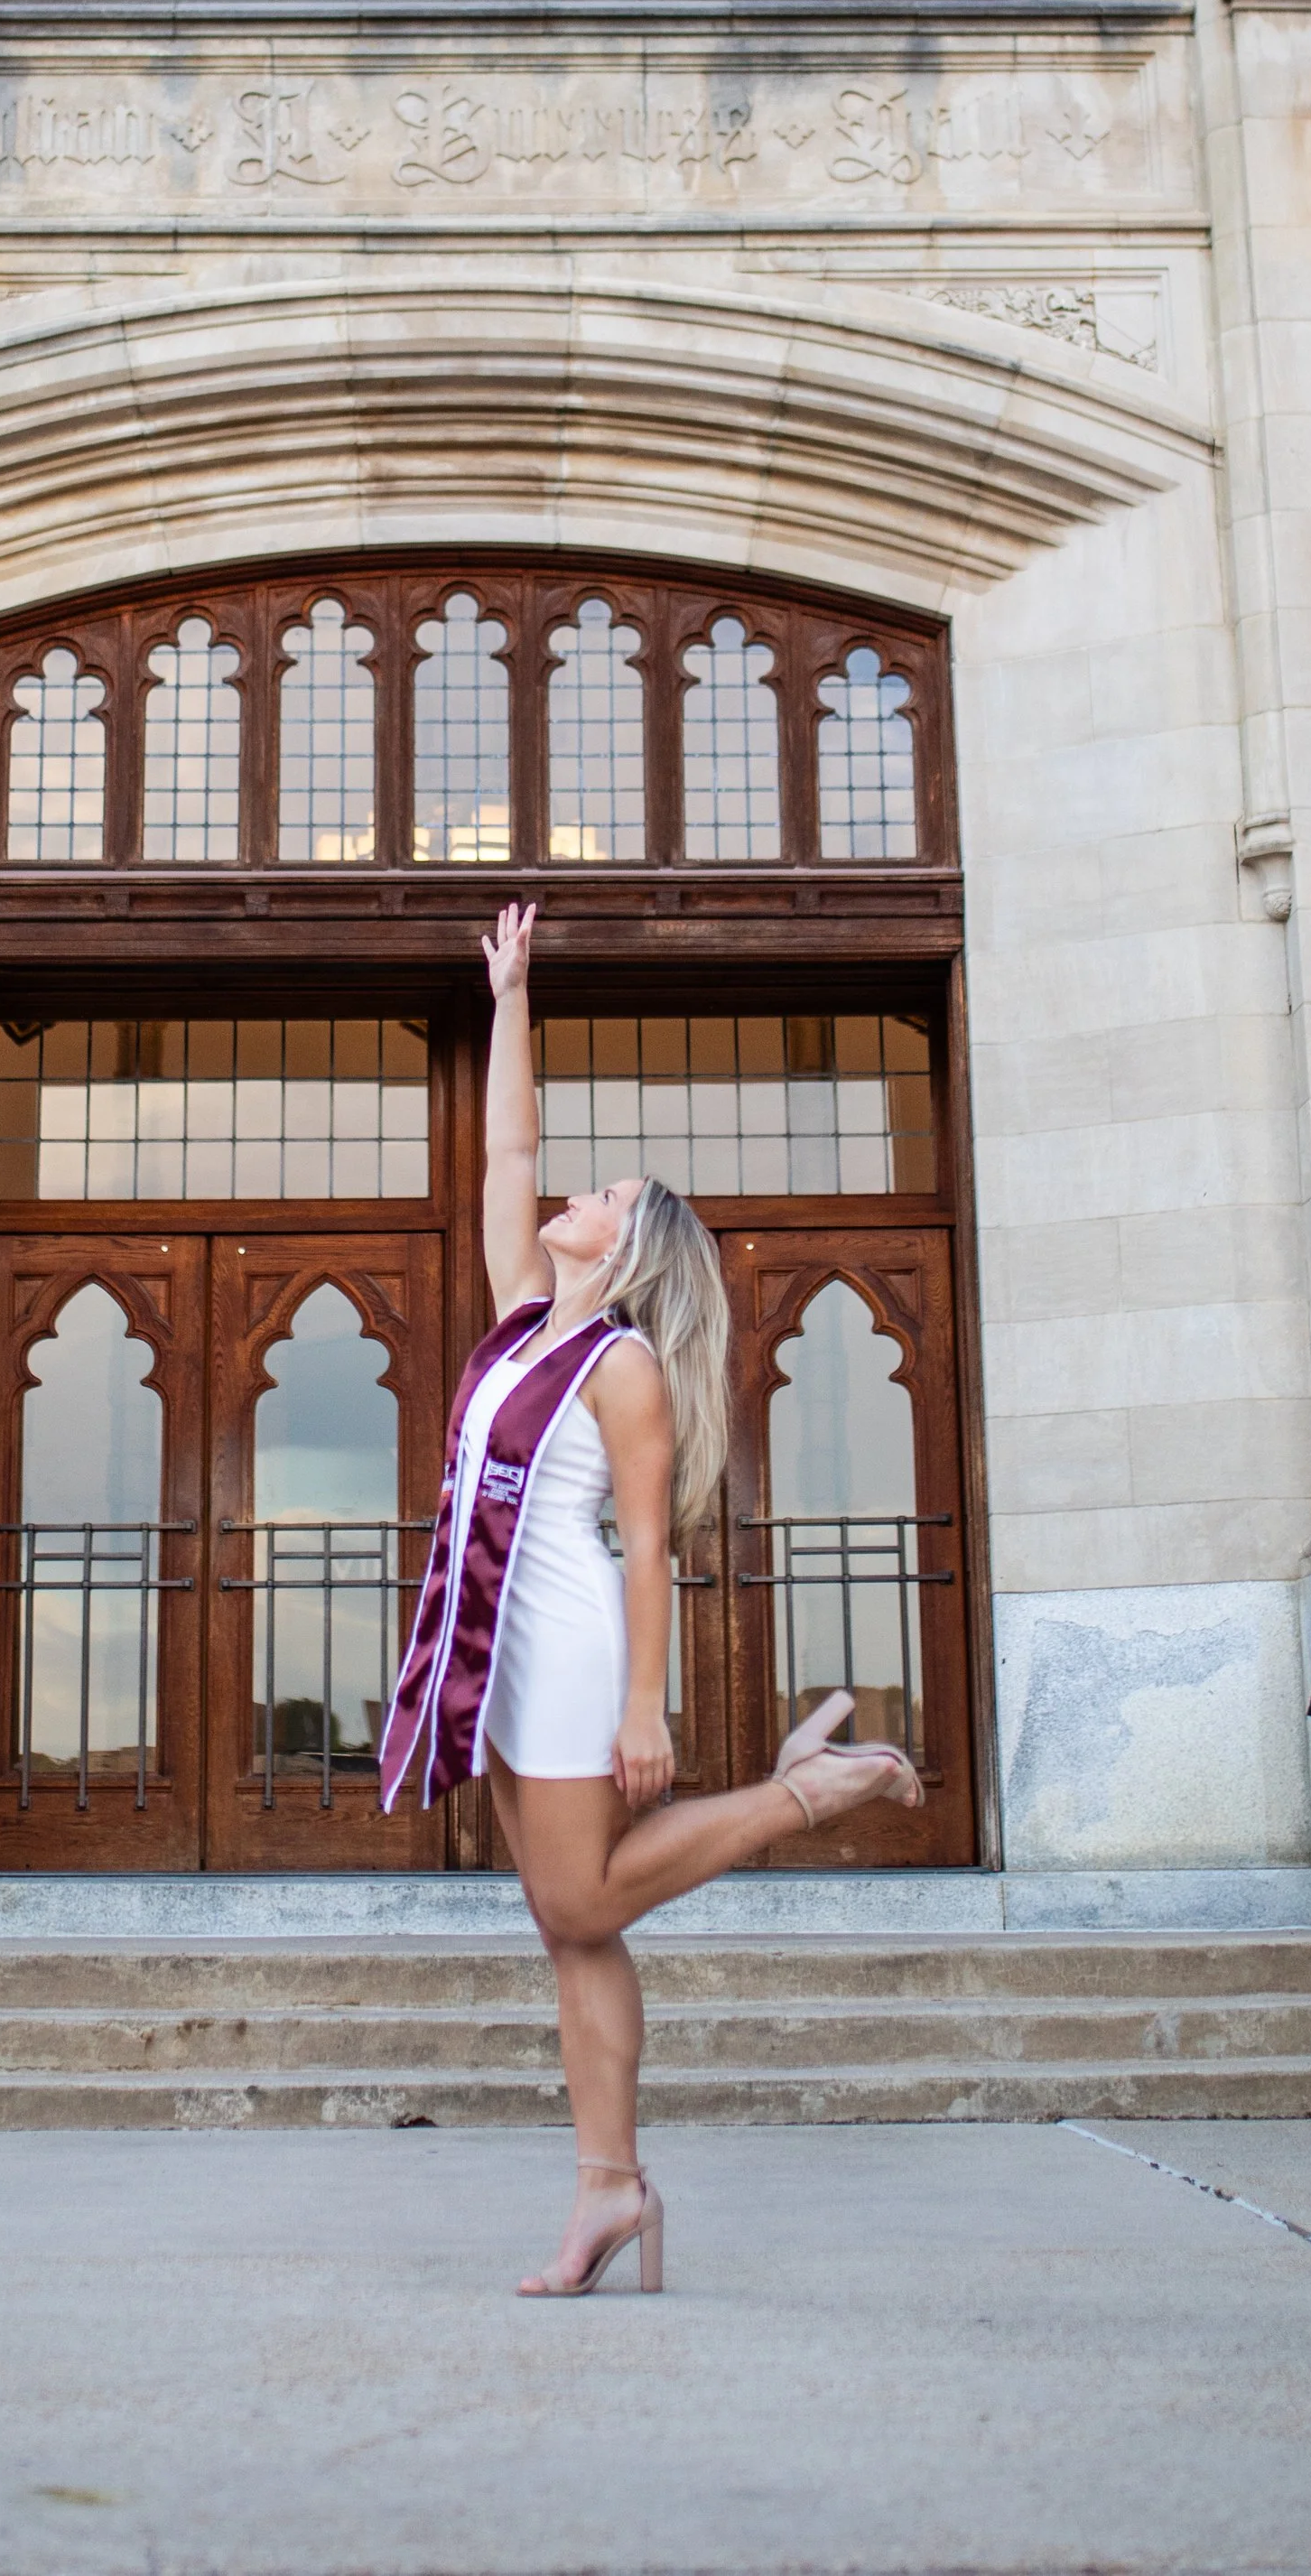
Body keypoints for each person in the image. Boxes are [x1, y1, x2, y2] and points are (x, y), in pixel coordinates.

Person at [379, 901, 922, 2297]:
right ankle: (609, 2190)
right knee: (573, 1926)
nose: (579, 1195)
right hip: (489, 1653)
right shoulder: (517, 1319)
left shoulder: (620, 1369)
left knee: (581, 1890)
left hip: (563, 1652)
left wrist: (643, 1706)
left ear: (624, 1255)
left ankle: (807, 1789)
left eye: (608, 1198)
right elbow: (505, 1148)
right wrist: (509, 995)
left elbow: (646, 1545)